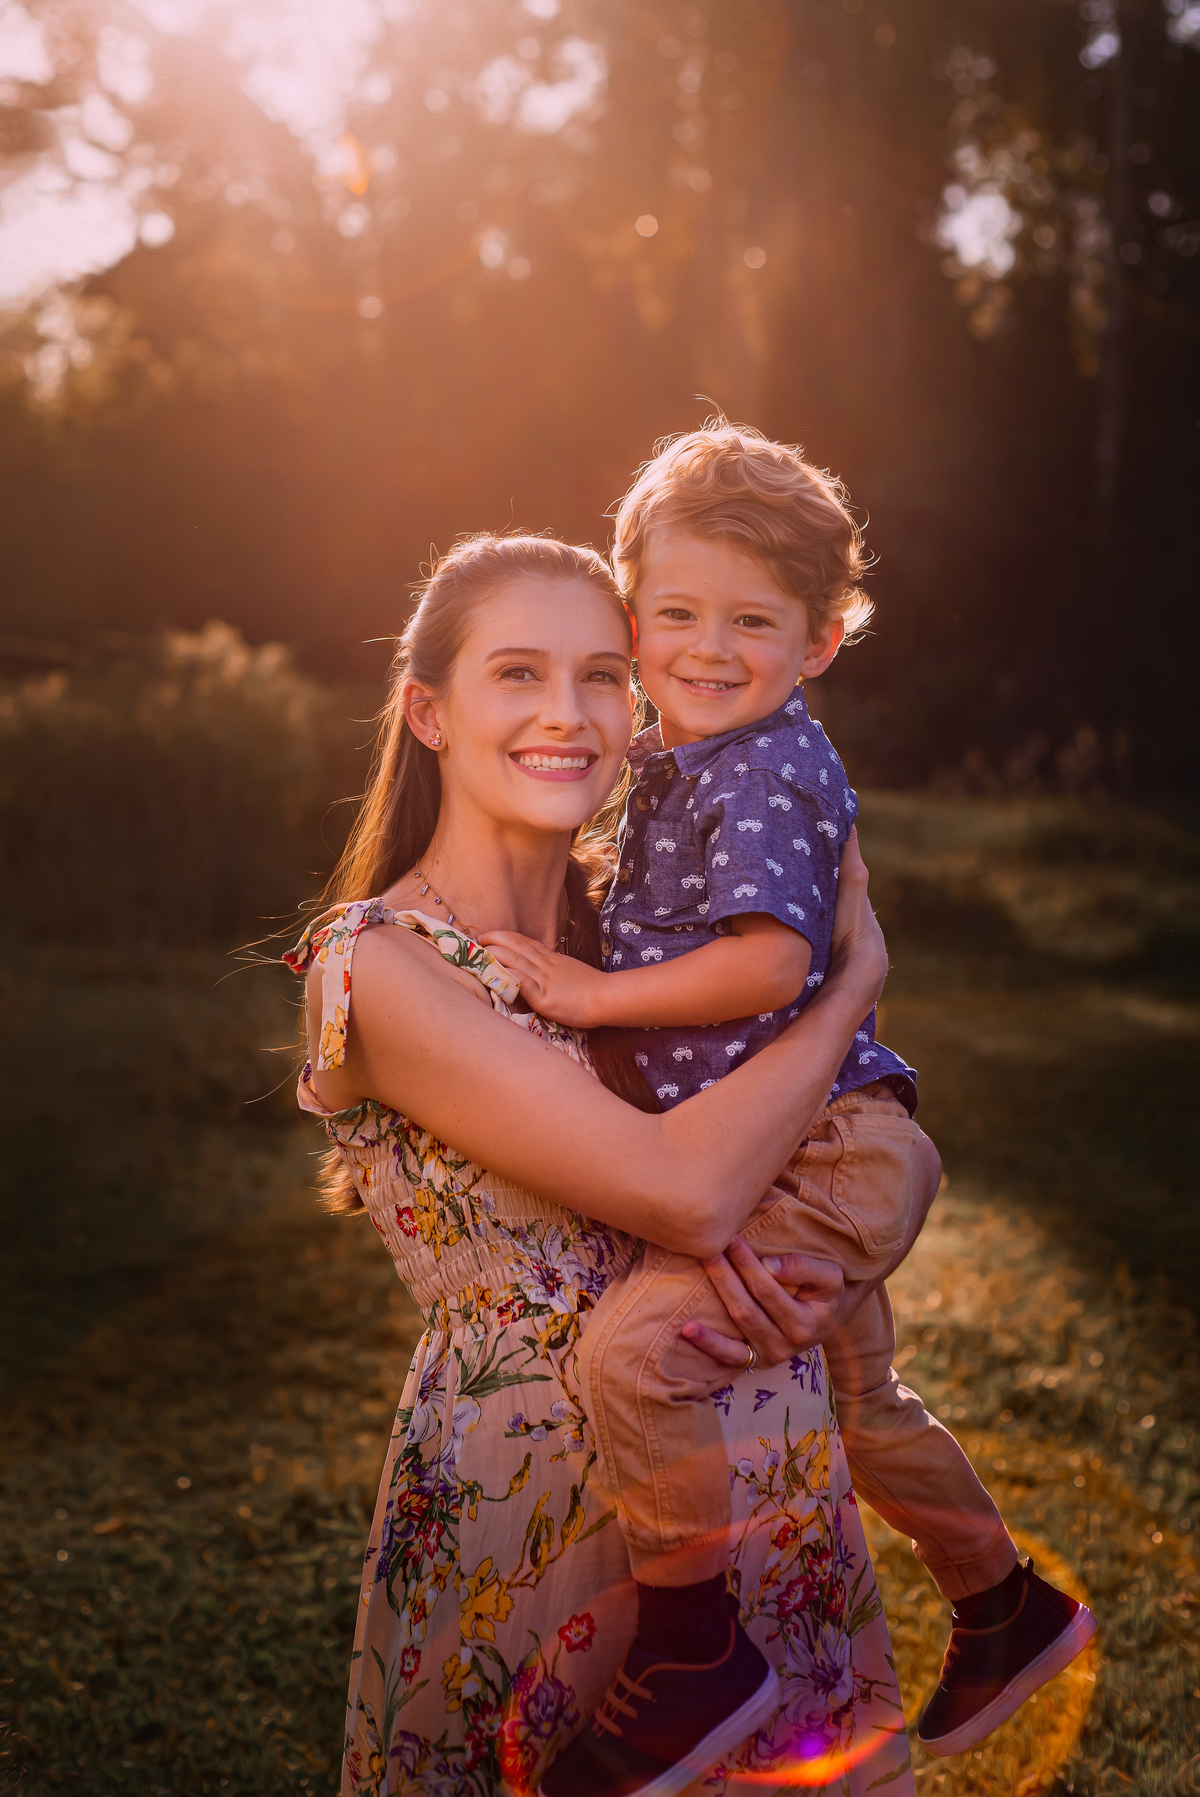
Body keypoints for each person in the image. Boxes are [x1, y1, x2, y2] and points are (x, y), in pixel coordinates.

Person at [482, 429, 1095, 1792]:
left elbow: (766, 961)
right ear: (634, 617)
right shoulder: (691, 758)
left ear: (822, 639)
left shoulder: (756, 767)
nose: (707, 647)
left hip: (819, 1152)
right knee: (862, 1399)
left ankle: (698, 1649)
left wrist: (586, 996)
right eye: (677, 614)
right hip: (827, 1134)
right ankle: (1006, 1604)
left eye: (752, 621)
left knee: (633, 1363)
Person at [285, 533, 919, 1797]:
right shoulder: (382, 966)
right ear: (428, 711)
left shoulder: (646, 941)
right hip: (535, 1513)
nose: (568, 716)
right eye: (517, 674)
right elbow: (687, 1190)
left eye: (604, 676)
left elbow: (839, 1151)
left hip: (763, 1480)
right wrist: (848, 991)